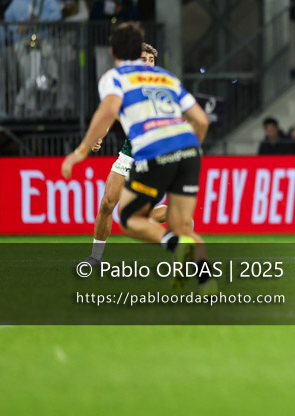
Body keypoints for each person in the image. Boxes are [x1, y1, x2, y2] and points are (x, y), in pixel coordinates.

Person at [61, 23, 213, 292]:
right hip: (182, 149)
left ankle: (180, 247)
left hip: (151, 150)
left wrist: (80, 152)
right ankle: (204, 281)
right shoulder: (167, 78)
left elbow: (108, 109)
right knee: (113, 204)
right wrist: (188, 152)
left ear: (112, 51)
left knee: (129, 218)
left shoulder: (116, 77)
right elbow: (201, 120)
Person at [81, 43, 169, 267]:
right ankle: (95, 259)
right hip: (129, 154)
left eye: (151, 59)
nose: (148, 63)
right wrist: (100, 135)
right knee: (107, 205)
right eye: (144, 59)